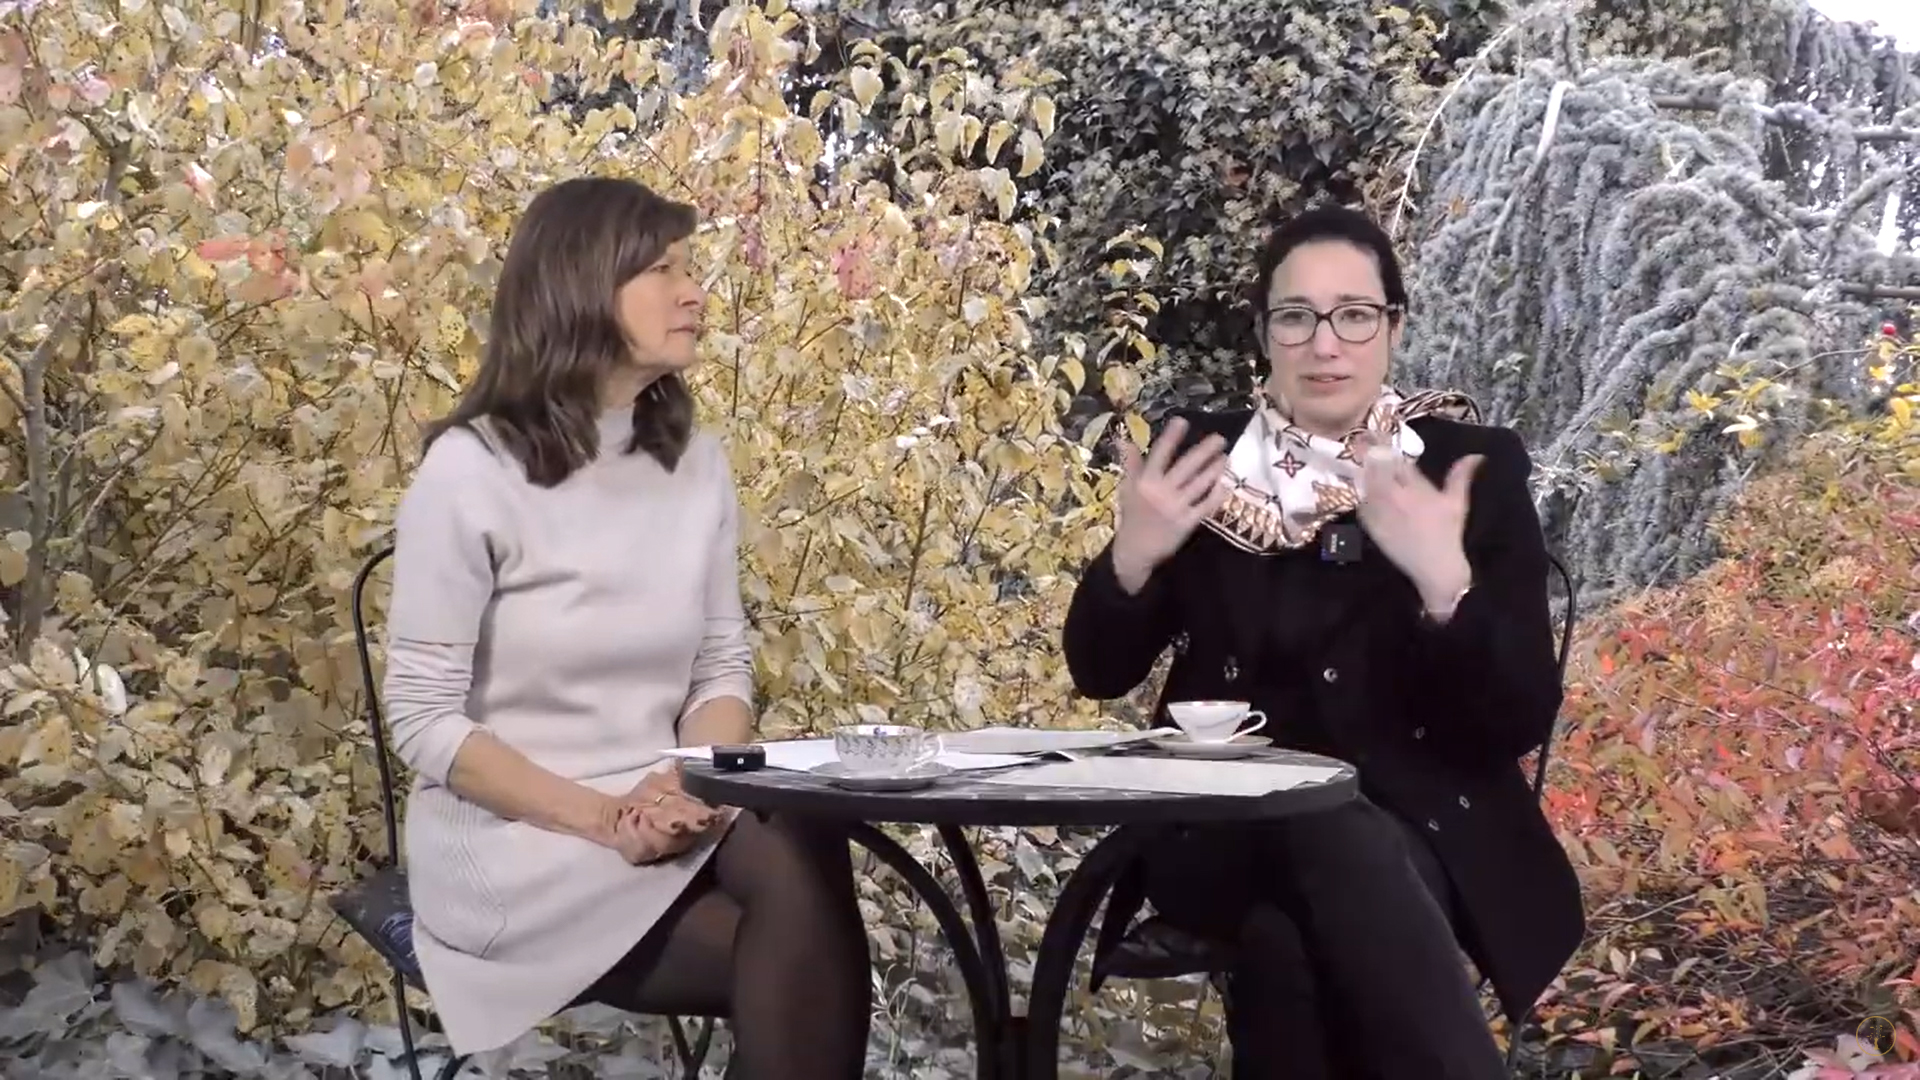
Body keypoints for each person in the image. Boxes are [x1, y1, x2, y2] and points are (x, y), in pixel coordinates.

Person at [1063, 205, 1585, 1078]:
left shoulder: (1462, 470)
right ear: (1264, 333)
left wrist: (1444, 588)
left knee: (1285, 946)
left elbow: (1514, 718)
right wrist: (1133, 560)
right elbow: (1098, 669)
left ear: (1394, 327)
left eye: (1354, 315)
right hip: (1221, 828)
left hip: (1419, 831)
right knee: (1322, 818)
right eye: (1296, 317)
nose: (1325, 344)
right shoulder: (1208, 462)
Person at [381, 176, 873, 1074]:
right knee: (809, 964)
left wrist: (676, 785)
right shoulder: (470, 471)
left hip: (665, 811)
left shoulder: (696, 466)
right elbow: (422, 718)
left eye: (690, 268)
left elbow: (720, 669)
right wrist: (607, 817)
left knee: (799, 835)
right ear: (579, 288)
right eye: (662, 271)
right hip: (519, 843)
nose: (695, 293)